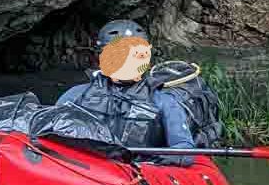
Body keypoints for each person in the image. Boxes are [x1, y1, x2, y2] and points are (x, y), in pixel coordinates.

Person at [56, 20, 197, 166]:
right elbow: (51, 131)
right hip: (86, 172)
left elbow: (184, 151)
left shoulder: (164, 102)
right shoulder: (76, 95)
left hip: (135, 175)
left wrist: (150, 162)